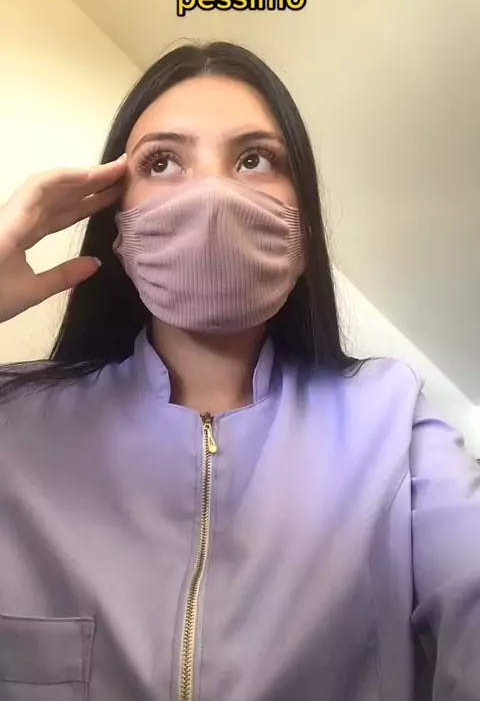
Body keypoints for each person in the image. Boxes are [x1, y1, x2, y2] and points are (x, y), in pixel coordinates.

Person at [0, 41, 478, 701]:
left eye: (253, 159)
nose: (212, 195)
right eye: (163, 162)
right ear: (118, 225)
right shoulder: (13, 424)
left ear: (302, 223)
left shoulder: (391, 419)